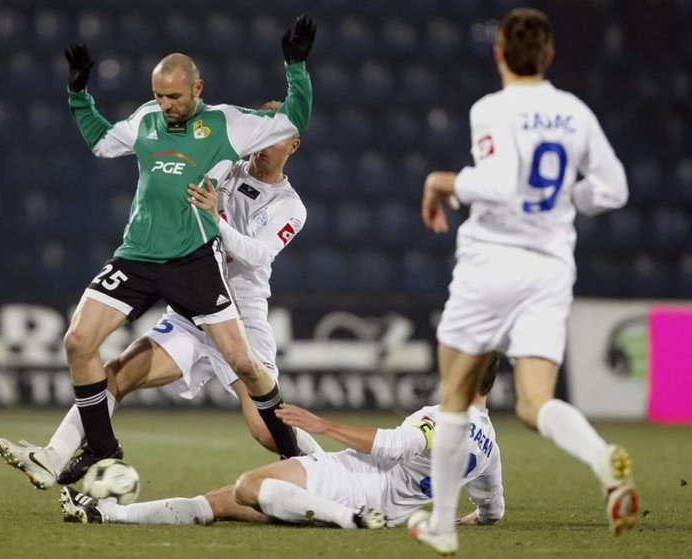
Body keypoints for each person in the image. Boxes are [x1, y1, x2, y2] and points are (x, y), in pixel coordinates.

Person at [19, 15, 317, 485]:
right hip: (161, 277)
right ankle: (73, 452)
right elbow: (102, 141)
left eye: (173, 96)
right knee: (100, 357)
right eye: (159, 96)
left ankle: (318, 469)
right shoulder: (174, 135)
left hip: (231, 298)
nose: (165, 105)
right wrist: (79, 94)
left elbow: (258, 254)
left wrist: (296, 66)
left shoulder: (283, 195)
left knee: (260, 413)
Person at [408, 8, 635, 555]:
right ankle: (601, 456)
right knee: (535, 403)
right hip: (551, 265)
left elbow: (501, 183)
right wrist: (566, 201)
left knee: (457, 394)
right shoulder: (573, 111)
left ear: (499, 54)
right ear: (550, 56)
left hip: (493, 259)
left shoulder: (492, 108)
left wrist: (442, 182)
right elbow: (614, 189)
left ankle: (441, 524)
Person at [58, 359, 504, 531]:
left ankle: (342, 518)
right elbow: (493, 510)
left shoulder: (441, 418)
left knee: (248, 487)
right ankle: (106, 512)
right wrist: (468, 519)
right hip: (383, 504)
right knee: (219, 503)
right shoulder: (489, 447)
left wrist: (323, 424)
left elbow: (394, 445)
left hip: (355, 489)